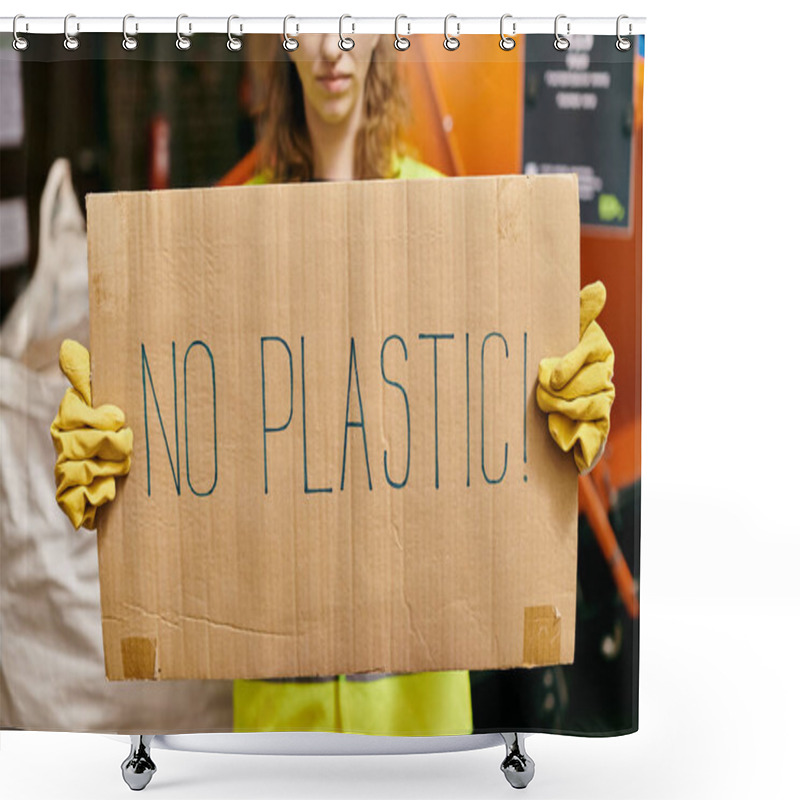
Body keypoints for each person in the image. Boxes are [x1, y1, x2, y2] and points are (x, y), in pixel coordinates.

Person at [50, 34, 615, 737]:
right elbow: (181, 445)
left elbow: (500, 442)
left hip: (423, 728)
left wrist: (565, 412)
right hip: (279, 731)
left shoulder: (458, 221)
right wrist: (104, 454)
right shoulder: (215, 243)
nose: (332, 42)